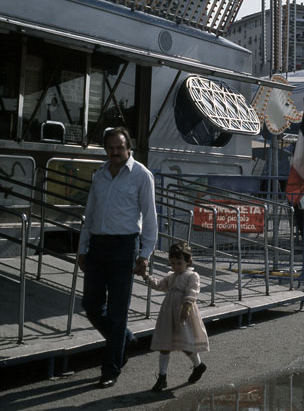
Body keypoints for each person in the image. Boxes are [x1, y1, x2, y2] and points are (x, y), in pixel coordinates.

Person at [77, 127, 158, 388]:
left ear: (128, 148)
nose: (115, 153)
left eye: (119, 148)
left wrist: (144, 255)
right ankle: (125, 338)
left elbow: (150, 218)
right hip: (98, 246)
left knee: (117, 311)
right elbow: (90, 213)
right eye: (110, 148)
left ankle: (110, 369)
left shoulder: (141, 175)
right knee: (91, 305)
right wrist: (82, 248)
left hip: (124, 246)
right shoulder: (100, 174)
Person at [145, 242, 209, 392]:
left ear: (187, 262)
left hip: (182, 311)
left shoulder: (192, 276)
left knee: (185, 344)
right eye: (173, 263)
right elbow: (160, 285)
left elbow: (192, 291)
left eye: (179, 263)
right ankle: (162, 377)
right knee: (164, 344)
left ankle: (198, 365)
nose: (175, 267)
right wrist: (146, 276)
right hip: (168, 311)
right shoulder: (171, 276)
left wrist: (186, 307)